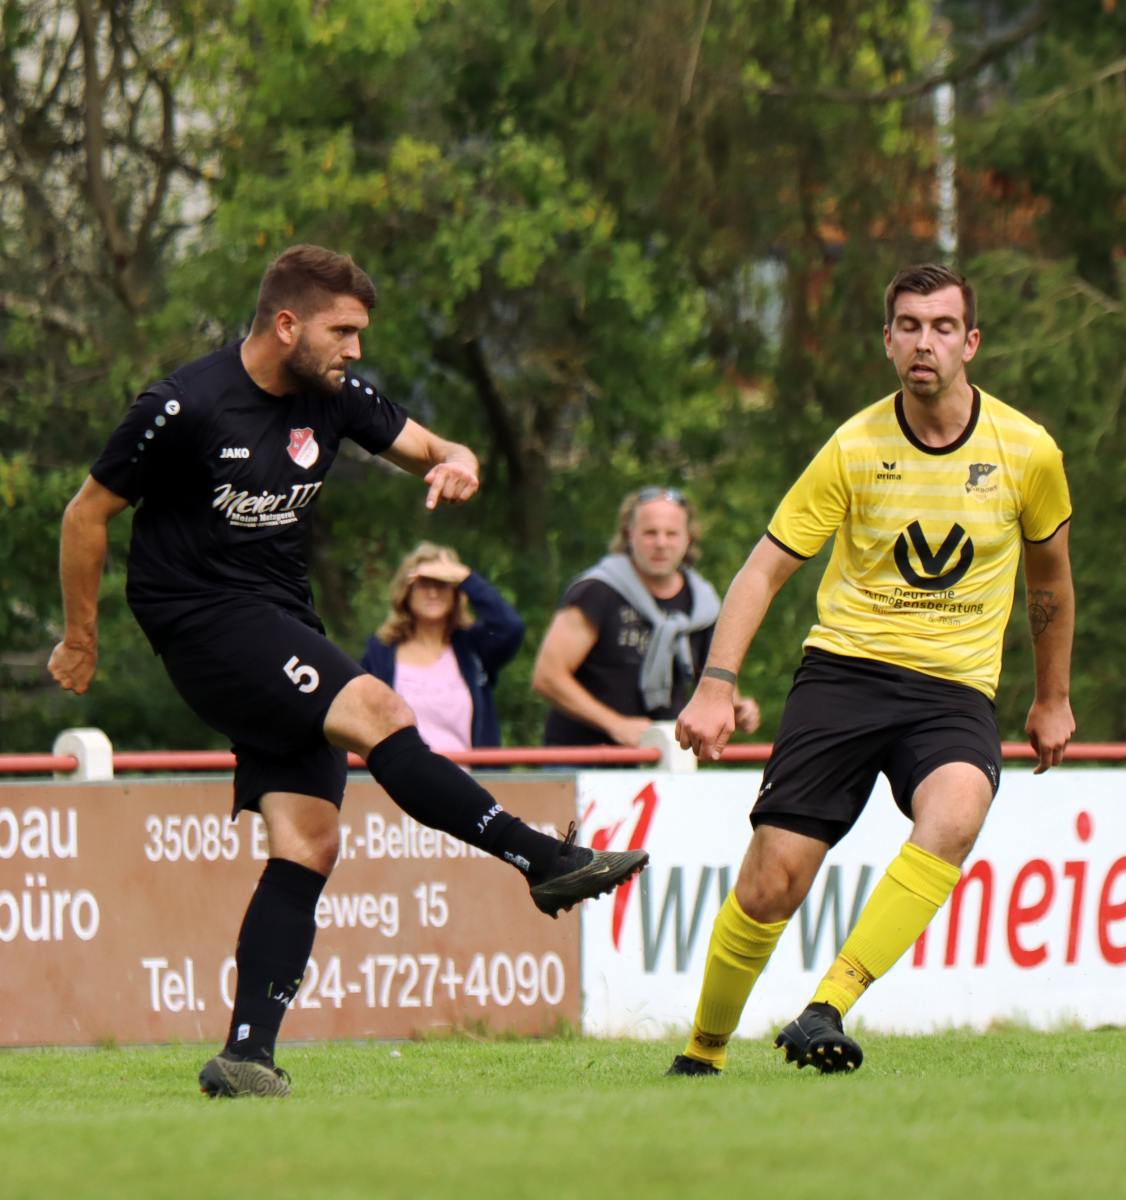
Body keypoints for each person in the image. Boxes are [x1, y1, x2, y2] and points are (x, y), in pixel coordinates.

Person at [48, 244, 647, 1099]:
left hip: (281, 619)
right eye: (343, 331)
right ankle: (540, 858)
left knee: (309, 842)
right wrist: (81, 638)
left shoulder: (336, 397)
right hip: (201, 621)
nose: (356, 349)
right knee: (378, 711)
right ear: (287, 324)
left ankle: (246, 1056)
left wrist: (459, 459)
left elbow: (432, 445)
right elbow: (86, 514)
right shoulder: (183, 404)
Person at [665, 262, 1076, 1076]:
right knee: (772, 884)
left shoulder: (1029, 452)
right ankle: (702, 1050)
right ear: (887, 341)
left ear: (971, 343)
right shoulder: (853, 447)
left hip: (953, 690)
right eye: (910, 327)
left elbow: (1050, 581)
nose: (926, 343)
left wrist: (1053, 697)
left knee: (959, 808)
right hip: (844, 676)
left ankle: (827, 1007)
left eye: (943, 327)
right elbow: (762, 571)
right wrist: (717, 684)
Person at [533, 487, 759, 747]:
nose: (661, 543)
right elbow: (547, 676)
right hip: (584, 756)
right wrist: (615, 725)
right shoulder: (597, 591)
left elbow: (713, 681)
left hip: (666, 754)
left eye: (671, 534)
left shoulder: (703, 604)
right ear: (629, 535)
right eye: (650, 533)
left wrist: (738, 709)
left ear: (688, 538)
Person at [361, 544, 524, 752]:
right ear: (406, 592)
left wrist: (466, 577)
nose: (432, 593)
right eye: (423, 584)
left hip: (466, 772)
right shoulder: (380, 653)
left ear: (456, 592)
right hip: (403, 773)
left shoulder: (473, 647)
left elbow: (510, 627)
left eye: (442, 584)